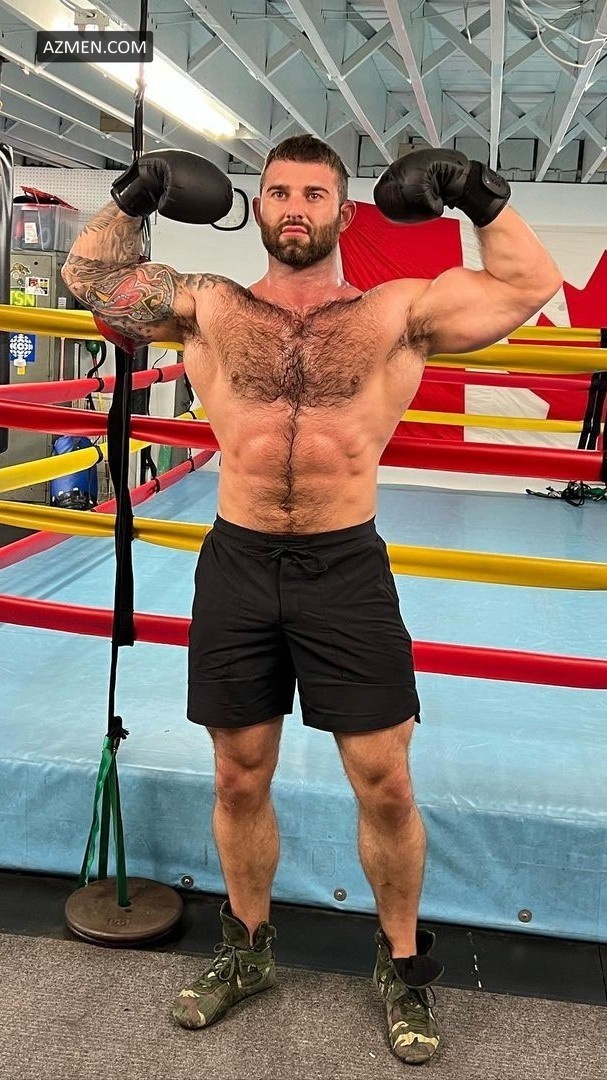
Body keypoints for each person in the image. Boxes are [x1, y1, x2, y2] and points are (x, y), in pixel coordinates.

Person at [62, 135, 562, 1065]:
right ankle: (247, 951)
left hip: (344, 568)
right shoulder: (208, 305)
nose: (295, 207)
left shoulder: (395, 311)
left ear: (343, 211)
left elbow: (526, 284)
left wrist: (479, 195)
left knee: (386, 781)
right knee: (236, 774)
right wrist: (134, 195)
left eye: (315, 194)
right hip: (239, 562)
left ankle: (402, 966)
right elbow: (89, 276)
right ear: (258, 207)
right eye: (280, 192)